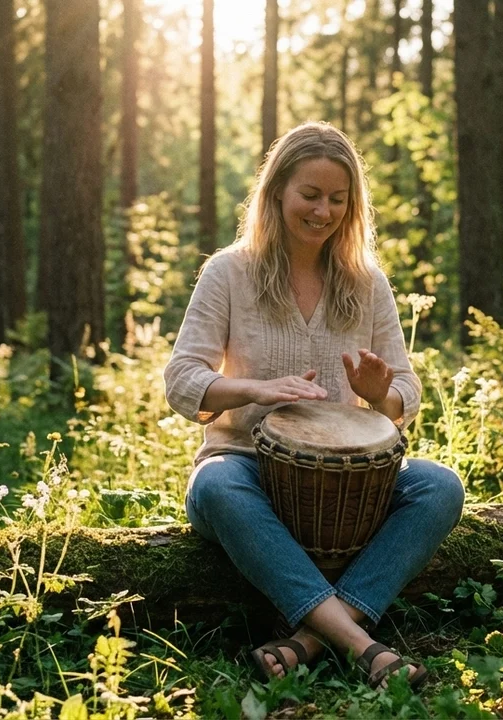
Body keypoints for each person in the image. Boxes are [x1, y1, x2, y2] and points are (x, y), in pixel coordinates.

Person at [163, 121, 464, 690]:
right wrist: (256, 389)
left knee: (439, 485)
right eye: (310, 195)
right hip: (247, 469)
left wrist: (379, 394)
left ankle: (307, 641)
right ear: (277, 191)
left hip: (350, 486)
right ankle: (362, 645)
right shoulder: (229, 272)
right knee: (213, 486)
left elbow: (408, 389)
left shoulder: (367, 282)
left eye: (337, 199)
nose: (322, 211)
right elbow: (182, 379)